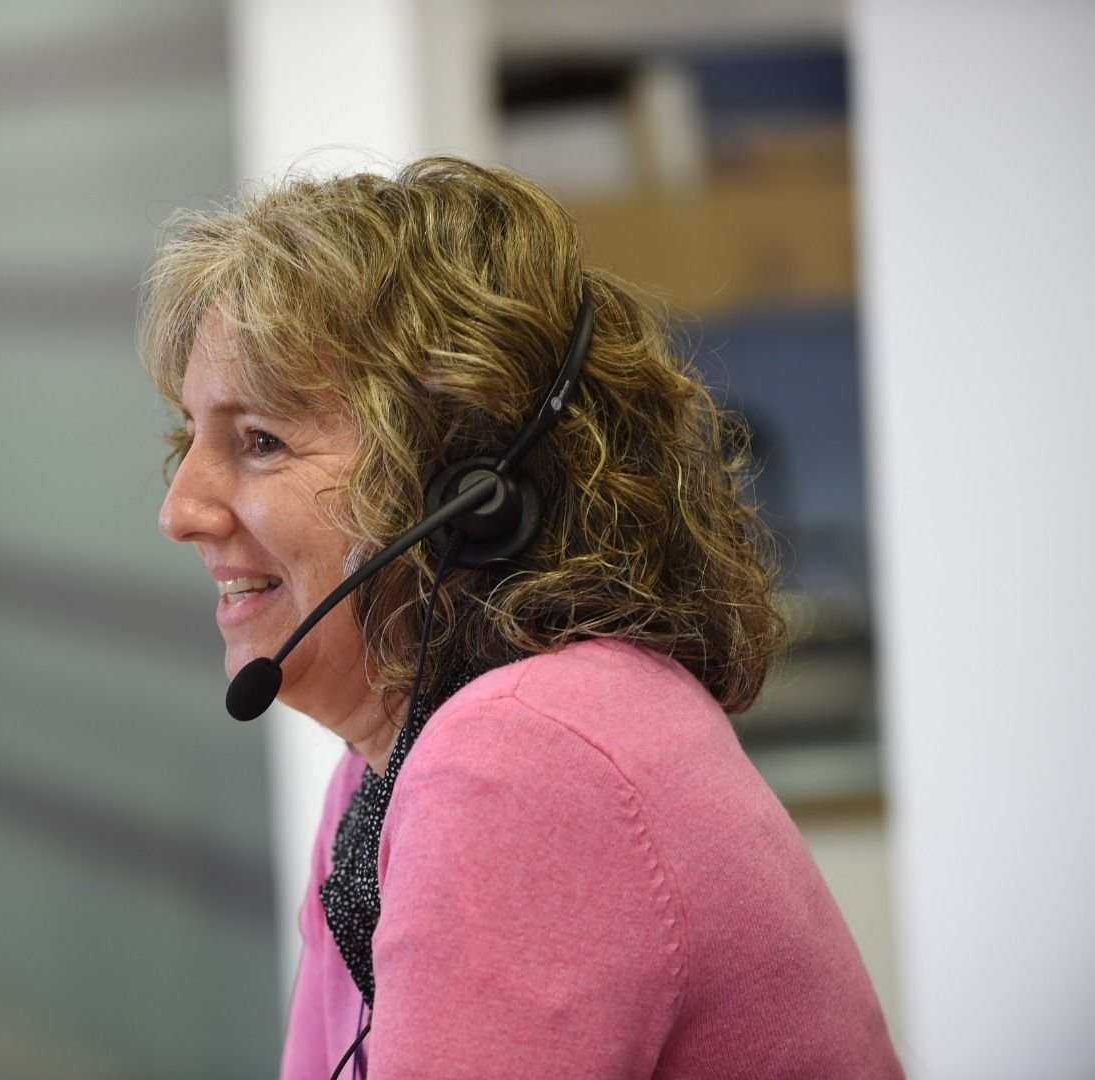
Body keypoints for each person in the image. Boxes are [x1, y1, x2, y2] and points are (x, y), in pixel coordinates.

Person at [142, 156, 901, 1078]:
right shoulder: (385, 773)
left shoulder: (525, 761)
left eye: (261, 441)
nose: (181, 510)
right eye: (192, 439)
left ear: (466, 494)